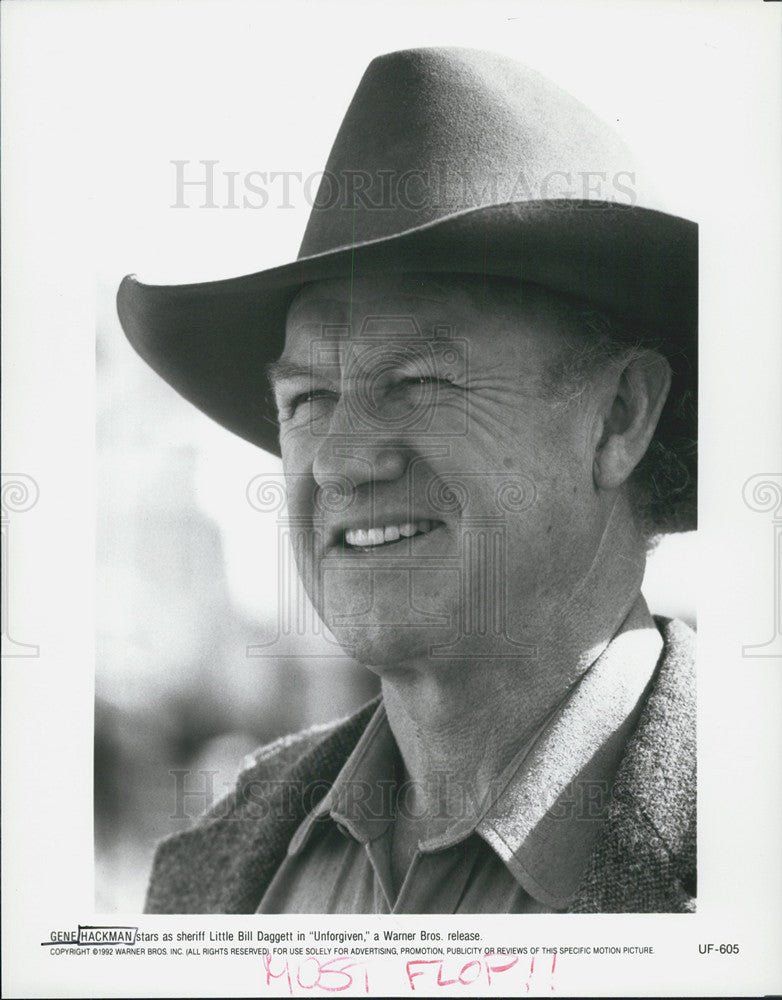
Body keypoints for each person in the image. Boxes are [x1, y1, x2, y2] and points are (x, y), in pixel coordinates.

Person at [117, 47, 697, 914]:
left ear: (617, 419)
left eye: (422, 383)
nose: (343, 461)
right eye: (307, 398)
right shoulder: (209, 872)